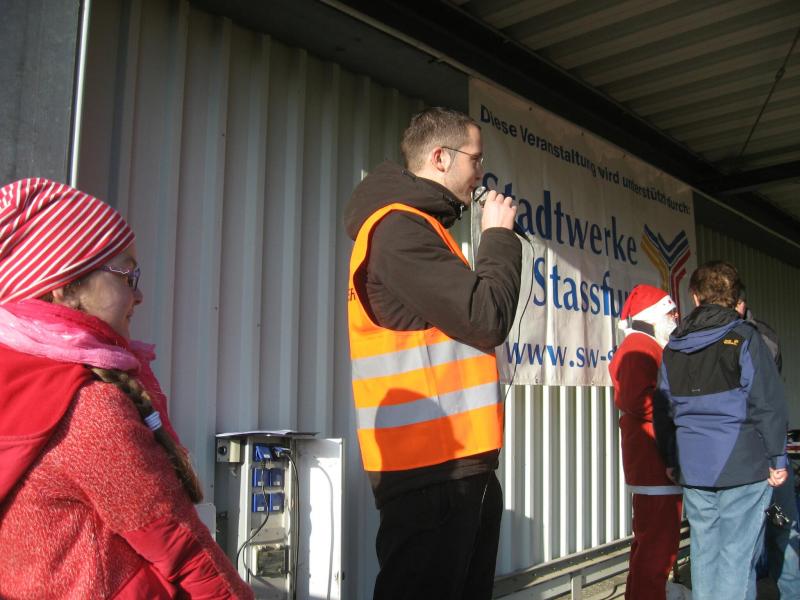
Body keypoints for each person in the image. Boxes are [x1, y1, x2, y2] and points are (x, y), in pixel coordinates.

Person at [0, 178, 252, 599]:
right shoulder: (85, 408)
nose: (139, 295)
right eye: (127, 275)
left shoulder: (19, 382)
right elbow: (182, 547)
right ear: (64, 286)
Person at [344, 107, 521, 599]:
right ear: (441, 158)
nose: (481, 173)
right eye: (476, 159)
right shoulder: (398, 230)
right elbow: (486, 317)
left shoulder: (422, 229)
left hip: (456, 465)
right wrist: (499, 238)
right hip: (432, 473)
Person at [654, 260, 788, 600]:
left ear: (695, 297)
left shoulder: (673, 348)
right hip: (742, 464)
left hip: (693, 466)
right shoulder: (745, 337)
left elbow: (663, 409)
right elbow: (767, 402)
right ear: (735, 298)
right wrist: (777, 457)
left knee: (704, 551)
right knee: (736, 558)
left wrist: (670, 458)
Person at [609, 284, 683, 600]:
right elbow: (635, 399)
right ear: (653, 315)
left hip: (653, 460)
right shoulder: (639, 345)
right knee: (657, 549)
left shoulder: (647, 344)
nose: (676, 316)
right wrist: (680, 411)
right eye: (670, 311)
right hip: (654, 461)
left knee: (650, 545)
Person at [737, 286, 799, 598]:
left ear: (740, 303)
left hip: (766, 451)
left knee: (783, 529)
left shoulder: (761, 338)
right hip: (744, 455)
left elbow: (767, 397)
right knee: (749, 543)